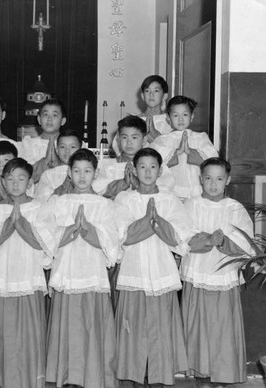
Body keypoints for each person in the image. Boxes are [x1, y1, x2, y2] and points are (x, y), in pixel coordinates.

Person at [114, 148, 191, 387]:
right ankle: (135, 377)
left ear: (160, 170)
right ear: (134, 170)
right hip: (133, 271)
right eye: (142, 167)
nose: (147, 172)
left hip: (161, 271)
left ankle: (159, 377)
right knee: (133, 327)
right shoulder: (124, 199)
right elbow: (123, 236)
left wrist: (156, 223)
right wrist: (152, 222)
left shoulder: (170, 199)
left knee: (160, 329)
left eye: (153, 166)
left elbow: (179, 237)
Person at [45, 149, 119, 388]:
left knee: (92, 322)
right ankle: (68, 376)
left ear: (95, 173)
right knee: (69, 324)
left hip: (92, 270)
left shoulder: (105, 204)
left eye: (87, 171)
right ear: (68, 172)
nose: (82, 176)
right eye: (76, 170)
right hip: (68, 270)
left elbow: (111, 242)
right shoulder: (59, 202)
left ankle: (95, 375)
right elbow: (48, 236)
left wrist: (88, 229)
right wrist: (69, 231)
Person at [0, 158, 54, 388]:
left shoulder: (41, 207)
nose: (15, 183)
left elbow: (46, 245)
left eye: (21, 178)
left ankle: (31, 374)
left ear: (30, 182)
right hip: (4, 275)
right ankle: (3, 375)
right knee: (4, 326)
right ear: (2, 182)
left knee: (30, 326)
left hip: (29, 274)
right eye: (9, 178)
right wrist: (8, 225)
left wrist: (21, 224)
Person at [181, 157, 254, 388]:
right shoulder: (191, 205)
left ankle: (222, 374)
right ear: (201, 179)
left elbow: (246, 241)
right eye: (208, 178)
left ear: (228, 180)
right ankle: (202, 373)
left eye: (219, 179)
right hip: (198, 273)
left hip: (223, 277)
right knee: (198, 325)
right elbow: (183, 234)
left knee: (223, 326)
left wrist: (223, 242)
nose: (213, 184)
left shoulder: (234, 208)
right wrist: (206, 239)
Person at [151, 95, 218, 200]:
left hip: (197, 189)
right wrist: (177, 152)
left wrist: (190, 151)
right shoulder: (162, 140)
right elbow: (154, 163)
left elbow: (213, 161)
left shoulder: (200, 137)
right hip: (172, 191)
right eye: (176, 115)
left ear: (192, 117)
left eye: (185, 115)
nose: (181, 119)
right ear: (168, 118)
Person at [94, 115, 175, 199]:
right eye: (124, 137)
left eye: (134, 137)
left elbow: (166, 187)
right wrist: (123, 183)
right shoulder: (105, 165)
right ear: (118, 138)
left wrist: (138, 184)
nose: (129, 142)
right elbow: (97, 191)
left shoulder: (154, 164)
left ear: (144, 140)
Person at [112, 75, 171, 156]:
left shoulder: (170, 121)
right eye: (147, 91)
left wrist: (156, 137)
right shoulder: (133, 120)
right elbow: (117, 145)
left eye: (156, 91)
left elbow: (173, 151)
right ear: (143, 96)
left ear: (164, 96)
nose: (151, 94)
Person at [20, 98, 67, 182]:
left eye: (54, 115)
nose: (49, 119)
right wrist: (45, 161)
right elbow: (23, 175)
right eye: (45, 114)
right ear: (39, 119)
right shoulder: (29, 144)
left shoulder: (71, 143)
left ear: (62, 121)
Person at [34, 129, 82, 201]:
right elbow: (42, 200)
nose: (67, 151)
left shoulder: (86, 172)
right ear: (57, 150)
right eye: (63, 147)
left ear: (80, 149)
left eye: (72, 147)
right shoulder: (48, 175)